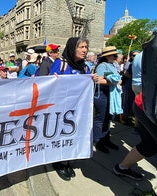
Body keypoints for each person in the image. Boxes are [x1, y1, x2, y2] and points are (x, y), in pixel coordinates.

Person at [49, 37, 97, 181]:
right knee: (61, 135)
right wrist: (53, 79)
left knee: (74, 136)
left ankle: (67, 161)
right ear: (72, 48)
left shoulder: (85, 67)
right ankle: (58, 162)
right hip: (61, 110)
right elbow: (48, 85)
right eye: (81, 47)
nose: (84, 50)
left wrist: (92, 80)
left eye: (86, 47)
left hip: (77, 111)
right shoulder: (60, 64)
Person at [93, 46, 122, 154]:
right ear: (108, 56)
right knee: (101, 118)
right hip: (102, 94)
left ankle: (105, 139)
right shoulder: (102, 66)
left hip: (108, 93)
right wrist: (113, 82)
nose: (116, 56)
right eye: (114, 54)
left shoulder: (110, 65)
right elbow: (98, 80)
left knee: (108, 118)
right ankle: (98, 140)